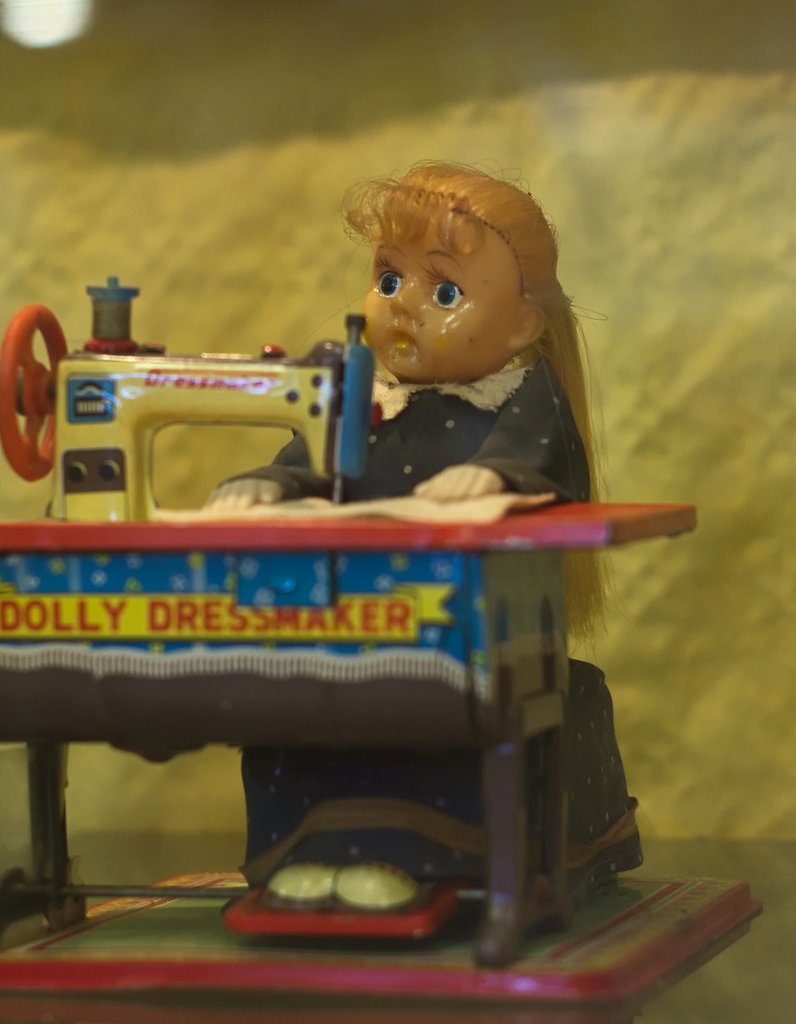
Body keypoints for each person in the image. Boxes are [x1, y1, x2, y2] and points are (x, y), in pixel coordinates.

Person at [207, 163, 639, 912]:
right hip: (356, 620)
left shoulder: (523, 404)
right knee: (291, 704)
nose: (404, 307)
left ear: (522, 326)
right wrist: (270, 485)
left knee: (428, 705)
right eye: (386, 280)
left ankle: (413, 854)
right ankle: (310, 847)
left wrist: (500, 478)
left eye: (444, 292)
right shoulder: (363, 399)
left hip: (466, 627)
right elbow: (314, 464)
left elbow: (544, 463)